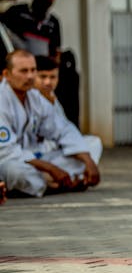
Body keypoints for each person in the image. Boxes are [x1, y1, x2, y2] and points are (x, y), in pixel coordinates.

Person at [0, 50, 101, 197]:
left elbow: (63, 129)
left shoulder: (34, 97)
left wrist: (89, 162)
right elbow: (7, 152)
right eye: (23, 71)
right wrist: (51, 168)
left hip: (36, 158)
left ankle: (43, 182)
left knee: (92, 144)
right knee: (14, 171)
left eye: (33, 70)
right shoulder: (2, 100)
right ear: (7, 75)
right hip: (9, 161)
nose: (29, 76)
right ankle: (49, 186)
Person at [1, 0, 79, 124]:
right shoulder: (17, 13)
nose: (49, 0)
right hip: (18, 72)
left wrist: (49, 72)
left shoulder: (53, 22)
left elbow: (55, 52)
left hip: (39, 74)